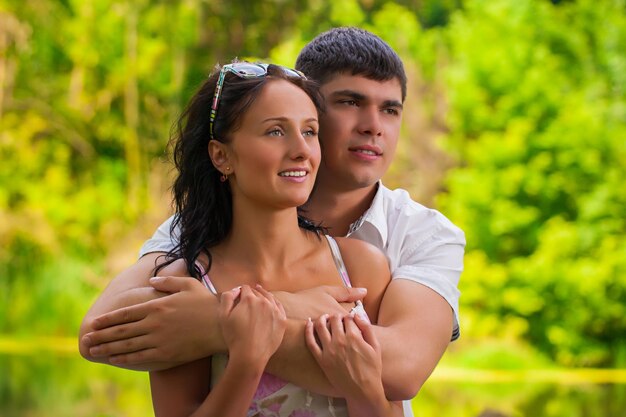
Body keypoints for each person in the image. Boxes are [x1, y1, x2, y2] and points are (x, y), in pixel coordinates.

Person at [79, 27, 465, 417]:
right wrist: (283, 313)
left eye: (390, 109)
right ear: (221, 156)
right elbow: (98, 331)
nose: (373, 125)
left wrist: (221, 322)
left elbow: (399, 372)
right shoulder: (192, 253)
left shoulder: (395, 249)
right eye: (350, 102)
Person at [136, 60, 401, 416]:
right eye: (276, 131)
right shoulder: (185, 285)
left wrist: (364, 388)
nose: (301, 150)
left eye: (310, 132)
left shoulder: (360, 267)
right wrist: (247, 359)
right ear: (221, 155)